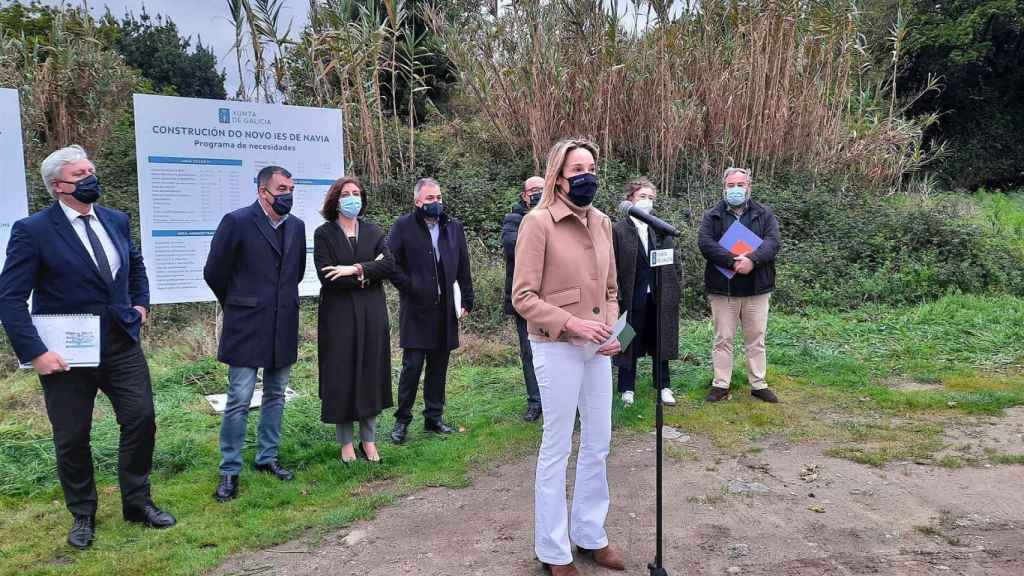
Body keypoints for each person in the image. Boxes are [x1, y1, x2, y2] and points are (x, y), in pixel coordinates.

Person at [0, 145, 175, 549]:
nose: (91, 178)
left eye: (91, 170)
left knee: (141, 418)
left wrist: (141, 304)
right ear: (59, 186)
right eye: (81, 174)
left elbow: (135, 265)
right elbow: (10, 298)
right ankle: (83, 513)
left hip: (119, 342)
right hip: (65, 354)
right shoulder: (33, 231)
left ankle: (137, 502)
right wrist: (35, 353)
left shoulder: (115, 218)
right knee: (72, 436)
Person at [512, 138, 625, 575]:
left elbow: (612, 289)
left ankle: (590, 534)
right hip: (556, 346)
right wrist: (571, 323)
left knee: (599, 442)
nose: (587, 176)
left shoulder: (602, 222)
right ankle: (554, 550)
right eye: (577, 169)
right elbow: (523, 296)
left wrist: (612, 330)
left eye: (591, 167)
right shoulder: (537, 223)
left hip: (597, 351)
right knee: (557, 446)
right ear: (558, 177)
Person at [204, 165, 307, 501]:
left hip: (283, 324)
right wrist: (239, 303)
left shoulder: (297, 226)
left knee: (276, 394)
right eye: (281, 188)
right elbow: (214, 271)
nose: (287, 194)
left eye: (291, 188)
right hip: (247, 325)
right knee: (239, 399)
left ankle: (267, 458)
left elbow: (296, 274)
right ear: (263, 191)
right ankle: (230, 470)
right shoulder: (237, 222)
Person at [387, 178, 474, 444]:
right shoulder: (403, 226)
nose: (435, 203)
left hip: (446, 309)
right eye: (429, 199)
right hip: (416, 309)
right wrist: (409, 287)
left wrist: (467, 299)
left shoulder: (453, 227)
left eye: (438, 198)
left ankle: (433, 418)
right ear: (417, 202)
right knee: (412, 367)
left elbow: (463, 265)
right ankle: (402, 420)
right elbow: (391, 263)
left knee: (439, 365)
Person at [314, 177, 394, 463]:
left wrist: (353, 269)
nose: (352, 198)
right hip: (339, 315)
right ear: (335, 200)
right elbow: (327, 276)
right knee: (342, 375)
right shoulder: (324, 234)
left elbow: (389, 264)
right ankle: (346, 442)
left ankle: (369, 440)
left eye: (356, 193)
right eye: (346, 194)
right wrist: (367, 275)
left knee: (371, 372)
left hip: (372, 312)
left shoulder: (373, 230)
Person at [697, 167, 781, 403]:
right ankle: (721, 384)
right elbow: (705, 243)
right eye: (731, 185)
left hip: (757, 288)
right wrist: (732, 262)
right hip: (724, 289)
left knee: (756, 338)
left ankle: (758, 383)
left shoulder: (764, 214)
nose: (736, 189)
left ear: (749, 187)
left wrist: (752, 260)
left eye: (740, 185)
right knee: (723, 338)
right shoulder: (712, 215)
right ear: (724, 188)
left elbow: (773, 242)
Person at [612, 178, 681, 407]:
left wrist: (674, 287)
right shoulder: (618, 229)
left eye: (651, 198)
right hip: (630, 297)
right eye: (642, 197)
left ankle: (663, 385)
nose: (647, 202)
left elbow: (673, 262)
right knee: (626, 340)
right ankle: (626, 388)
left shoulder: (659, 228)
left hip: (658, 295)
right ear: (630, 198)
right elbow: (611, 265)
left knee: (660, 337)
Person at [501, 176, 545, 421]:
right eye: (533, 190)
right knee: (529, 352)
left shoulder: (556, 215)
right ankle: (535, 401)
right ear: (524, 195)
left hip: (552, 299)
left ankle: (559, 400)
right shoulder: (514, 219)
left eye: (541, 189)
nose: (537, 193)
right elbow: (512, 247)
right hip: (525, 299)